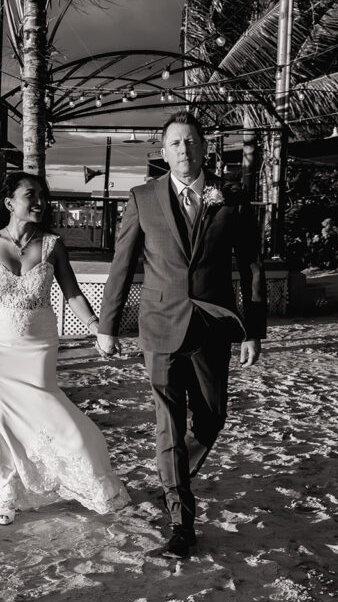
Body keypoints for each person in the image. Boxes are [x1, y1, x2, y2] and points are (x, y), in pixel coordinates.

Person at [95, 109, 266, 558]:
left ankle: (174, 476)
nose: (183, 150)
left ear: (204, 147)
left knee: (212, 418)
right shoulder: (142, 197)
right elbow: (123, 264)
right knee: (166, 424)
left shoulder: (231, 197)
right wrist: (107, 326)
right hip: (159, 327)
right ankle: (180, 522)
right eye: (174, 143)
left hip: (213, 325)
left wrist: (254, 330)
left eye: (190, 141)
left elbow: (250, 266)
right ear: (163, 150)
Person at [0, 171, 129, 525]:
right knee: (2, 420)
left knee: (56, 413)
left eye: (42, 196)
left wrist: (97, 328)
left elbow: (73, 293)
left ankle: (92, 476)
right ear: (9, 203)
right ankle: (7, 487)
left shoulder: (52, 244)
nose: (40, 202)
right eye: (30, 195)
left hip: (38, 344)